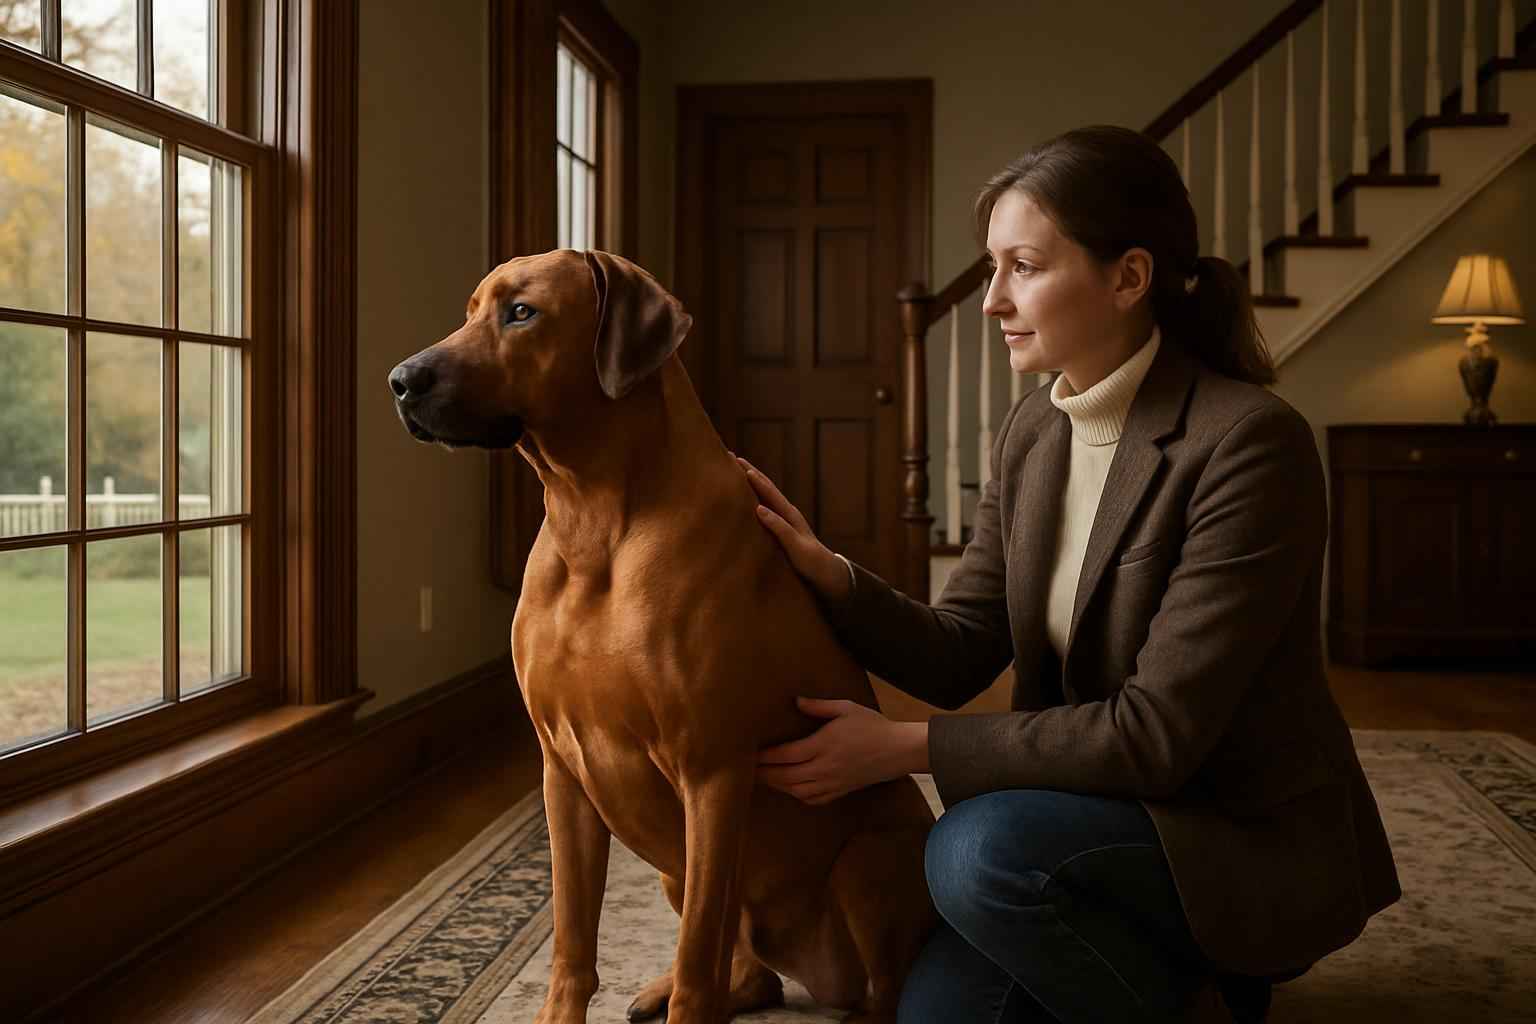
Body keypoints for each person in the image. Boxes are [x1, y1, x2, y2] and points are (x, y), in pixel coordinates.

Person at [737, 124, 1401, 1023]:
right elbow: (961, 647)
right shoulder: (1034, 431)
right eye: (993, 267)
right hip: (1079, 816)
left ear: (1129, 278)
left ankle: (1207, 981)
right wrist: (829, 574)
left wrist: (899, 748)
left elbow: (1156, 736)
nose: (991, 300)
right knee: (935, 1014)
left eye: (1023, 267)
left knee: (972, 853)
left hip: (1228, 837)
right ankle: (1168, 984)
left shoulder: (1248, 444)